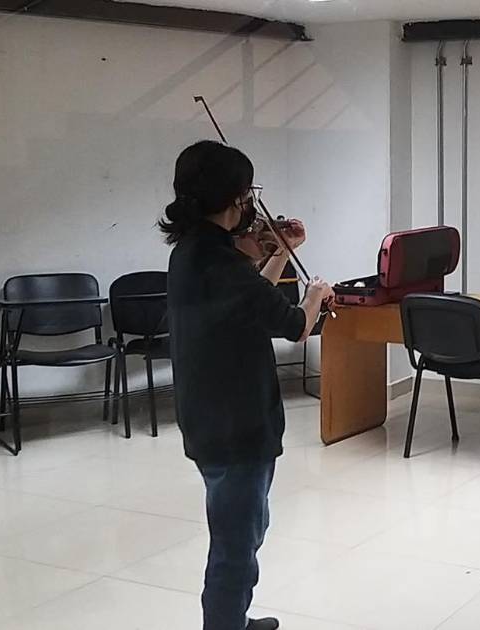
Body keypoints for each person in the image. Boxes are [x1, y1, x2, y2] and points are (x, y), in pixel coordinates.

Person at [160, 140, 334, 630]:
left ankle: (233, 618)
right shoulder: (221, 263)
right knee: (236, 546)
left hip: (208, 415)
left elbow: (251, 296)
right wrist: (316, 295)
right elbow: (292, 324)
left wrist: (279, 253)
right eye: (248, 194)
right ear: (236, 197)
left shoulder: (195, 251)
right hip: (236, 422)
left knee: (245, 528)